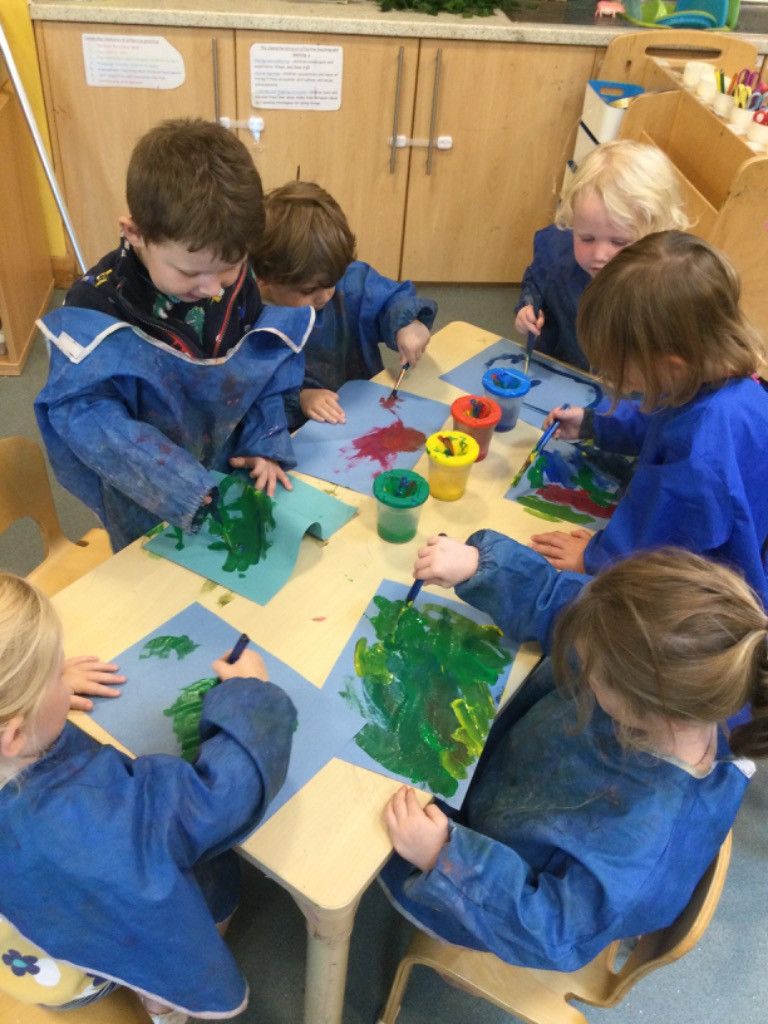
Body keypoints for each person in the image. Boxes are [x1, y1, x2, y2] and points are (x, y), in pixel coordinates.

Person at [380, 533, 768, 970]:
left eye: (592, 669)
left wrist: (444, 858)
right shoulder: (661, 675)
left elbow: (551, 932)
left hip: (484, 896)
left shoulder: (643, 844)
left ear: (638, 702)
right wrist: (479, 567)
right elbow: (572, 607)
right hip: (498, 784)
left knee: (351, 838)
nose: (578, 656)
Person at [0, 572, 296, 1023]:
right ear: (15, 735)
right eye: (57, 674)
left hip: (21, 940)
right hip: (80, 967)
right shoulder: (96, 814)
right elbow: (214, 800)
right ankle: (166, 1003)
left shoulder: (15, 748)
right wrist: (249, 696)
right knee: (213, 867)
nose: (65, 675)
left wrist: (43, 693)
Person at [35, 118, 314, 551]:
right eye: (190, 273)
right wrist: (181, 486)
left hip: (230, 473)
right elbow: (86, 420)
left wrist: (265, 439)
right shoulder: (94, 311)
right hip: (150, 494)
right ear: (135, 233)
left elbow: (259, 370)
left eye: (230, 267)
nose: (214, 288)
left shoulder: (224, 275)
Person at [528, 231, 768, 607]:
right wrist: (595, 423)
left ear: (670, 364)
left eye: (622, 370)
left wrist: (594, 559)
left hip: (713, 607)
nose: (616, 379)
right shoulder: (725, 382)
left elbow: (659, 551)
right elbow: (663, 416)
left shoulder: (701, 461)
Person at [252, 181, 437, 431]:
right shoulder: (250, 317)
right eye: (309, 290)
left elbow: (389, 299)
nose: (326, 295)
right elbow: (251, 392)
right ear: (265, 278)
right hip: (300, 435)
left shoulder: (349, 283)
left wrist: (407, 324)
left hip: (366, 411)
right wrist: (301, 398)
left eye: (332, 282)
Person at [514, 140, 689, 371]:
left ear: (655, 235)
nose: (599, 255)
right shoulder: (557, 252)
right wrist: (527, 308)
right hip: (559, 370)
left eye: (619, 242)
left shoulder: (668, 282)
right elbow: (535, 282)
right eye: (586, 238)